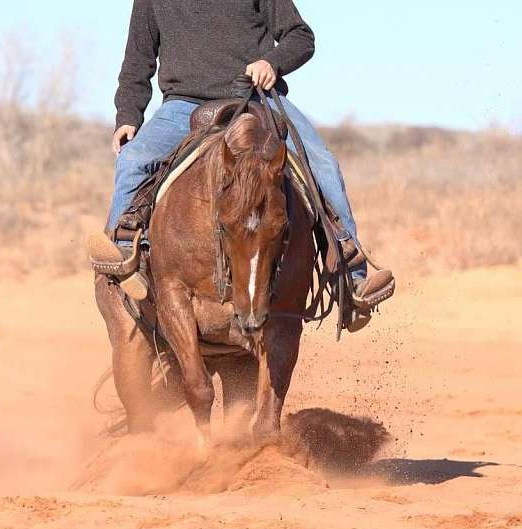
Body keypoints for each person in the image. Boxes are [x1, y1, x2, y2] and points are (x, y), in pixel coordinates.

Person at [94, 0, 394, 331]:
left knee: (324, 164)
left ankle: (351, 278)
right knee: (134, 159)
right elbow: (138, 60)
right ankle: (124, 257)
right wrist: (127, 116)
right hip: (182, 105)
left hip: (257, 99)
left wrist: (272, 62)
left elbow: (300, 36)